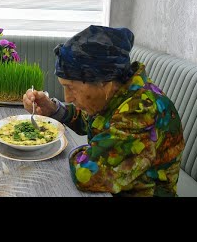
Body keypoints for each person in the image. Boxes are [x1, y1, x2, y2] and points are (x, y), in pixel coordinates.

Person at [23, 25, 185, 197]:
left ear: (104, 83)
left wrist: (61, 147)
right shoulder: (118, 89)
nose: (68, 97)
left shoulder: (140, 112)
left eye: (71, 87)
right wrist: (52, 108)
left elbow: (86, 175)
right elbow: (90, 121)